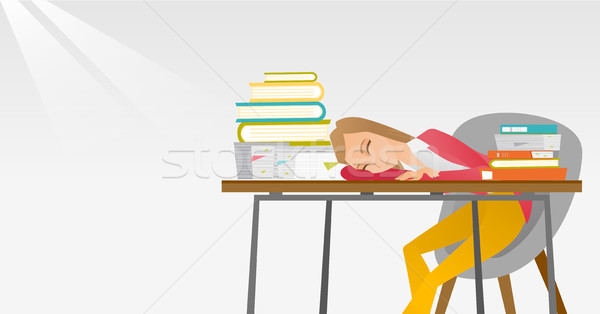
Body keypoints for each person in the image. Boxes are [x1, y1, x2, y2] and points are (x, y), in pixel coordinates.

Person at [329, 117, 530, 313]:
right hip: (481, 208)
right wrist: (356, 168)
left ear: (380, 130)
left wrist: (436, 176)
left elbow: (490, 173)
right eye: (363, 166)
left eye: (367, 147)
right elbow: (348, 173)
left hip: (508, 208)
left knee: (432, 280)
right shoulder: (406, 168)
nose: (373, 161)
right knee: (412, 250)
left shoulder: (431, 140)